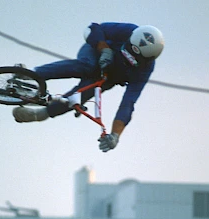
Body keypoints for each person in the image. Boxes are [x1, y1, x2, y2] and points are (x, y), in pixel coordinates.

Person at [12, 22, 164, 152]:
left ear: (147, 60)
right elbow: (94, 28)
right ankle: (30, 74)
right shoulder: (128, 30)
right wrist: (104, 49)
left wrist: (115, 135)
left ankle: (40, 114)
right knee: (86, 66)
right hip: (96, 53)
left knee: (79, 97)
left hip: (109, 77)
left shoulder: (144, 71)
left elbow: (128, 103)